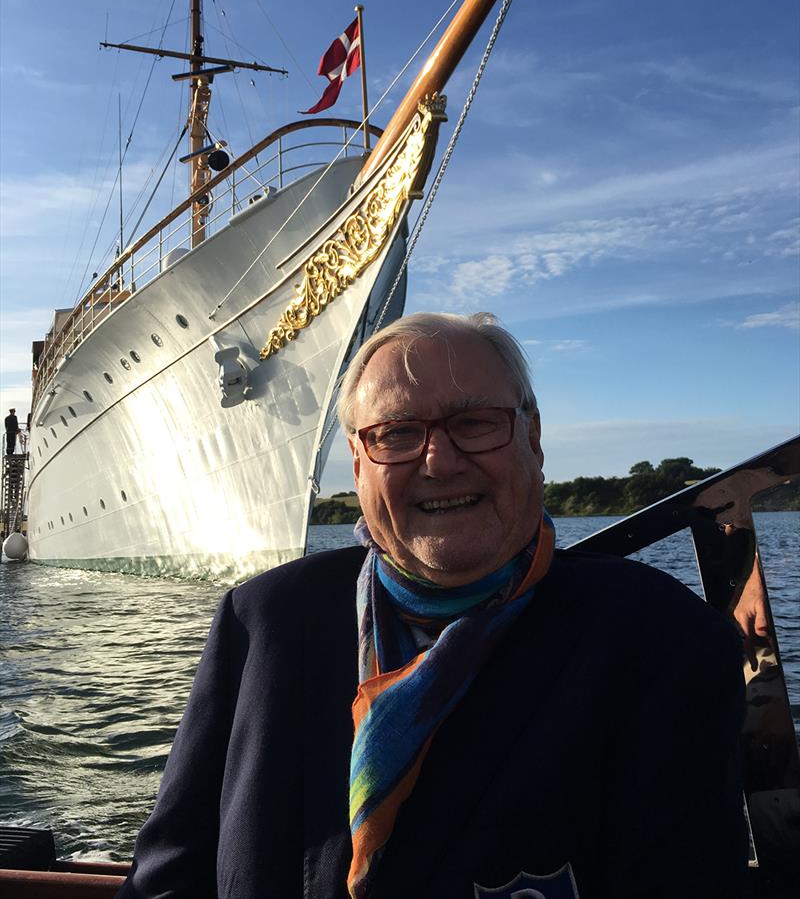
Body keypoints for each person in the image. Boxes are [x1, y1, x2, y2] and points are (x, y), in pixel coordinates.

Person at [118, 312, 748, 899]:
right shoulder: (265, 620)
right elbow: (171, 879)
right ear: (359, 462)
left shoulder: (660, 640)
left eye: (475, 423)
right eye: (396, 434)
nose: (440, 462)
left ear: (532, 436)